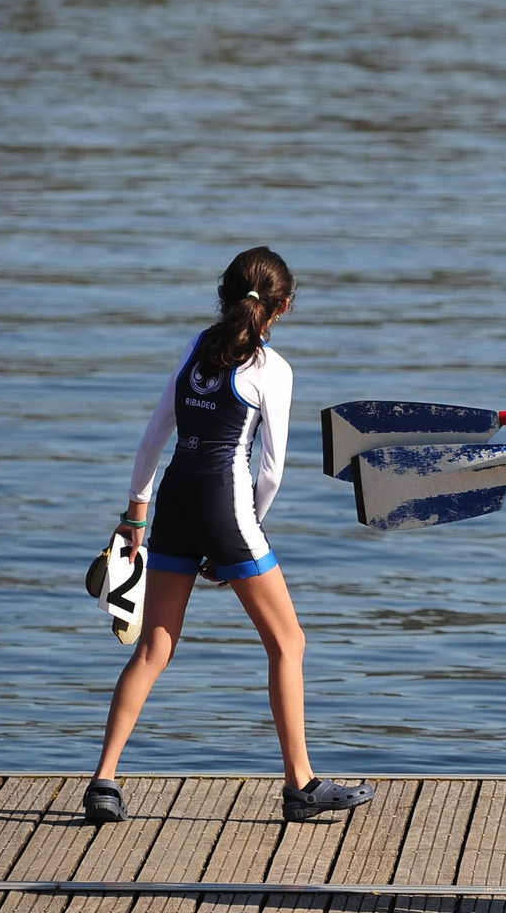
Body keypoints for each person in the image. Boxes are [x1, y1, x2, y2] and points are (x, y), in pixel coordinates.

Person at [85, 247, 375, 825]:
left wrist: (135, 515)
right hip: (227, 511)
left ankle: (103, 782)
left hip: (173, 502)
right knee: (287, 644)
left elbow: (153, 438)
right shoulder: (273, 370)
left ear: (225, 295)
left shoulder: (198, 348)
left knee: (153, 648)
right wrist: (246, 536)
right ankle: (301, 786)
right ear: (283, 306)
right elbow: (271, 469)